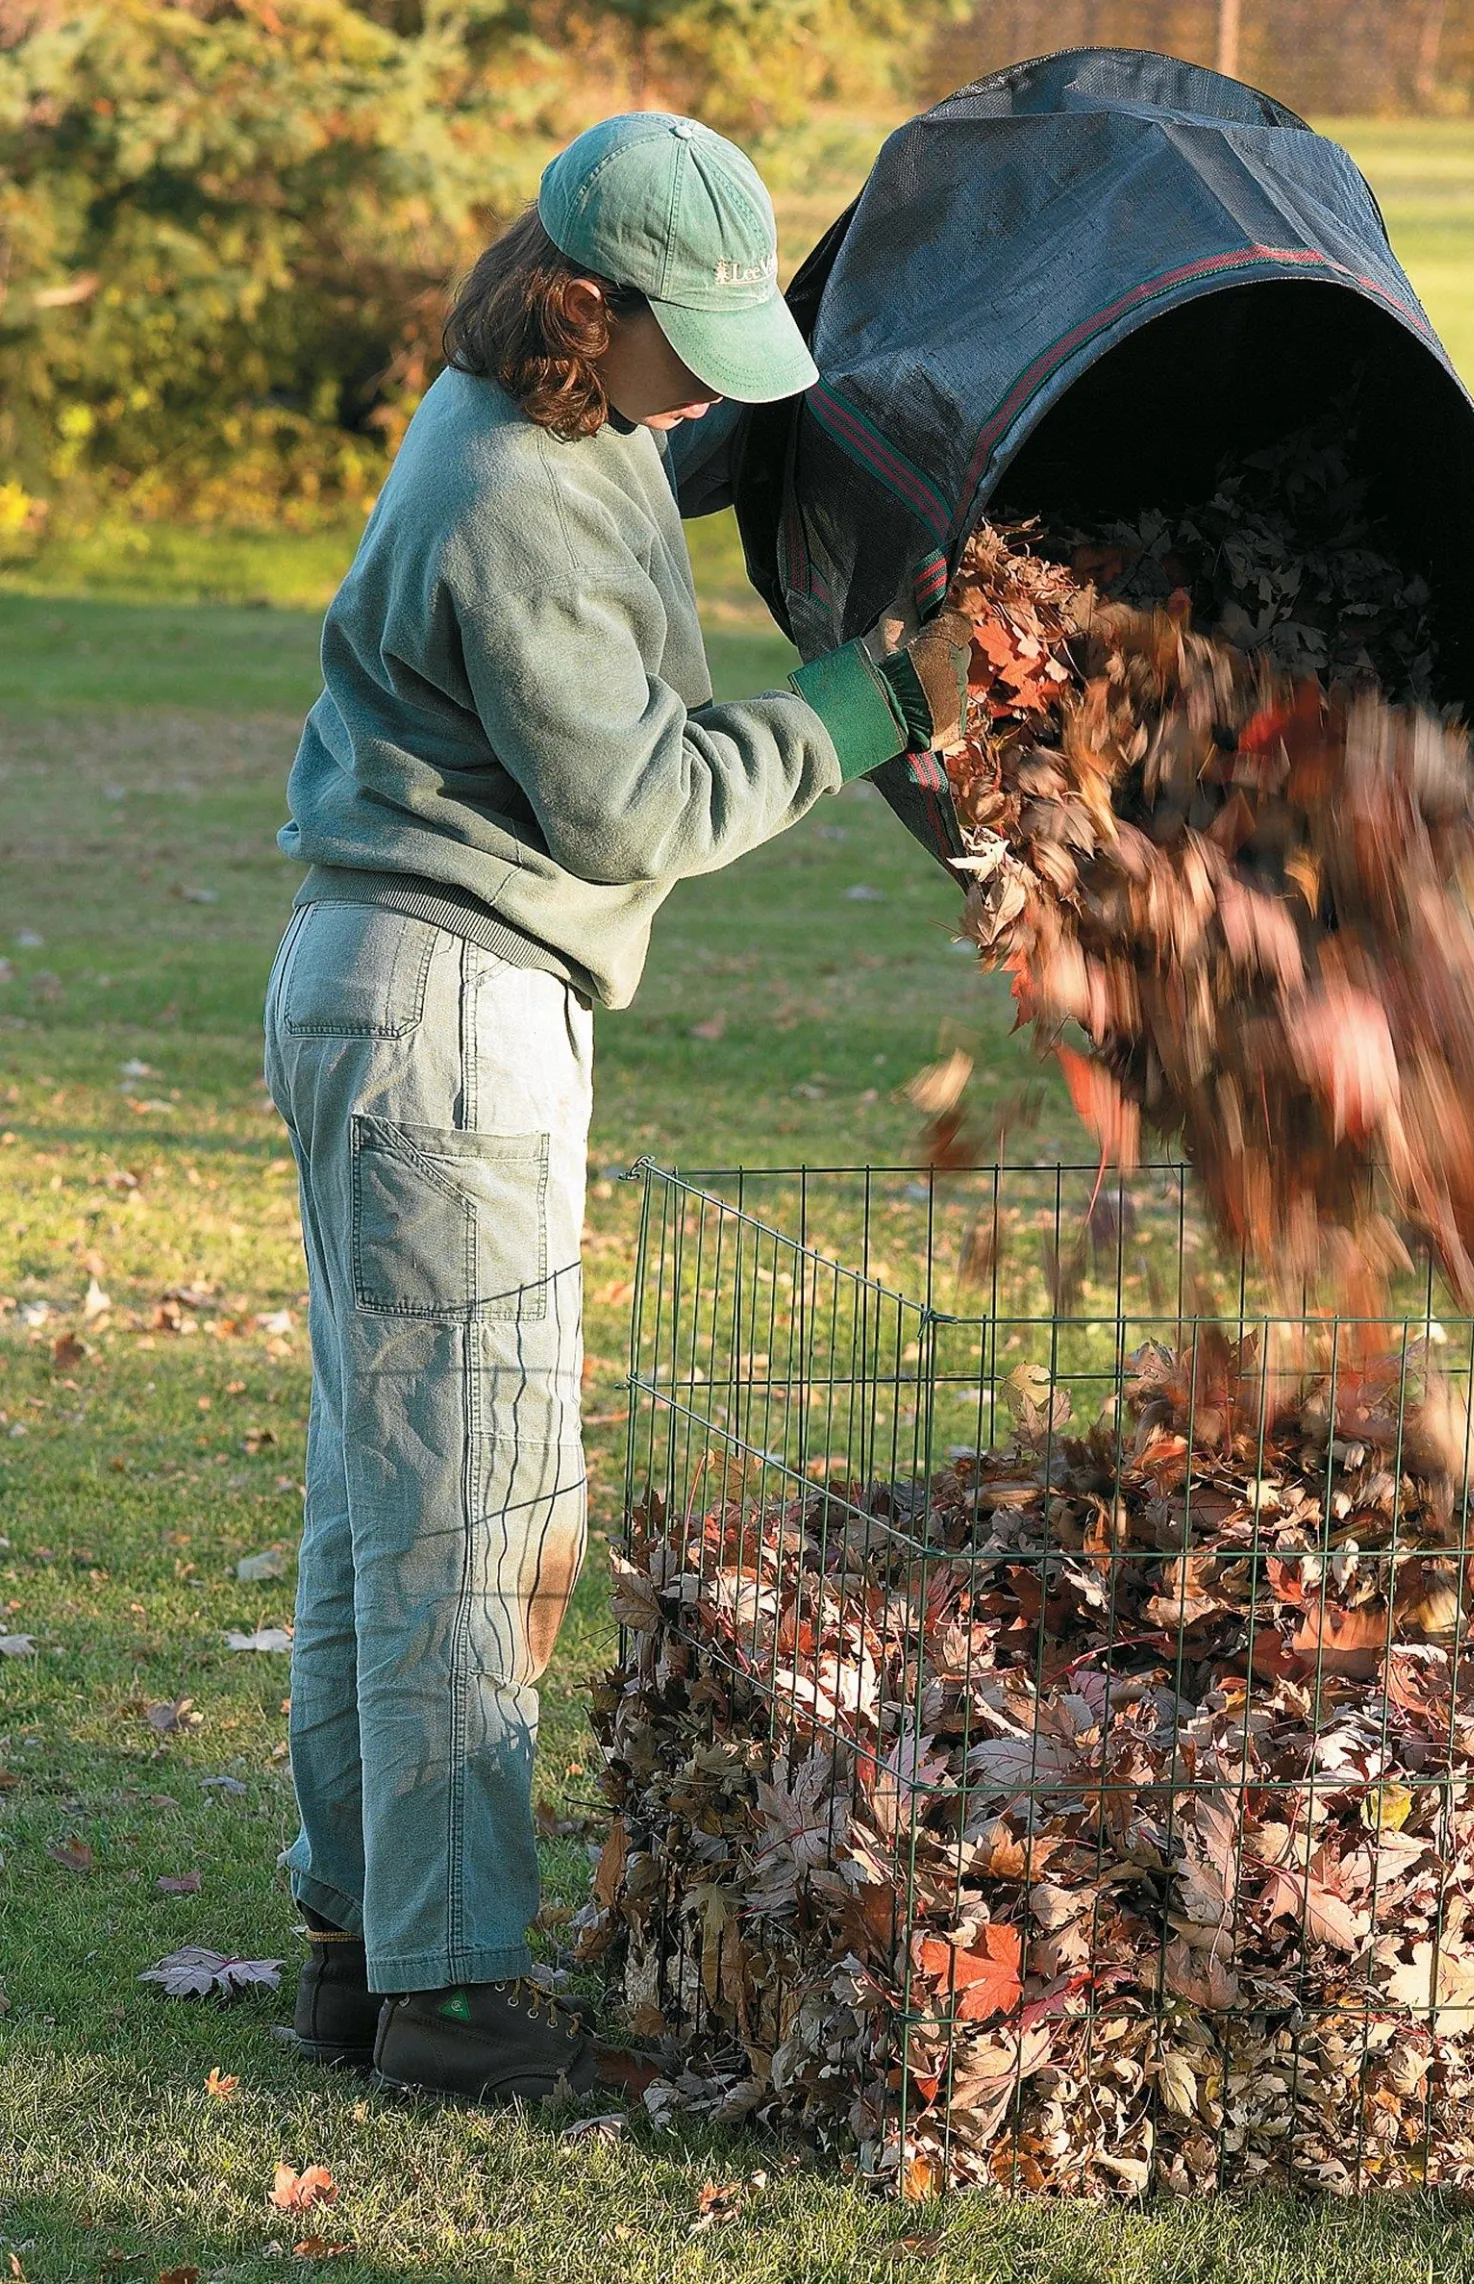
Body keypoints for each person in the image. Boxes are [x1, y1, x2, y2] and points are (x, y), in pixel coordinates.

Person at [263, 112, 966, 2101]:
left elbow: (663, 470)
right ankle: (454, 1995)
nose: (711, 384)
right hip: (446, 1016)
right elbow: (641, 804)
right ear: (596, 304)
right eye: (698, 342)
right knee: (481, 1516)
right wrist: (875, 706)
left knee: (378, 1499)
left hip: (381, 986)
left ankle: (363, 1949)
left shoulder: (530, 423)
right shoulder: (517, 496)